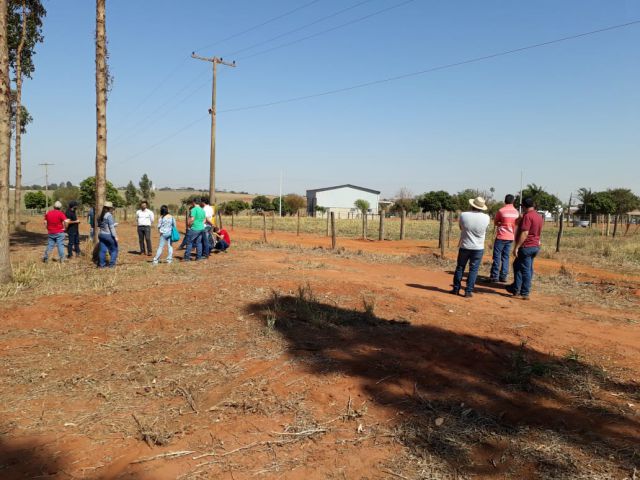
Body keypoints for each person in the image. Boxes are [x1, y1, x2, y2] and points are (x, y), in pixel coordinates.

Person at [451, 196, 490, 298]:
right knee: (473, 270)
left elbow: (461, 228)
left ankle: (456, 289)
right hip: (478, 248)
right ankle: (468, 291)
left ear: (472, 205)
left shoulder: (464, 215)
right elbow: (486, 230)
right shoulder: (486, 217)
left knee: (460, 267)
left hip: (465, 245)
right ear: (481, 207)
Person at [508, 197, 543, 300]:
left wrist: (516, 247)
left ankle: (524, 292)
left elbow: (525, 233)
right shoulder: (538, 216)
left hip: (526, 246)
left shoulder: (528, 216)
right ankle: (516, 288)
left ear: (524, 206)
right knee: (519, 266)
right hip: (535, 246)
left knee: (525, 269)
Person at [489, 194, 519, 283]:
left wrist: (502, 224)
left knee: (497, 256)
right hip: (511, 237)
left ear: (505, 201)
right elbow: (517, 224)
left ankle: (495, 276)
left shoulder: (501, 211)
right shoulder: (516, 212)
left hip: (501, 236)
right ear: (513, 201)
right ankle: (503, 276)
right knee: (506, 257)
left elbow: (495, 222)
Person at [98, 201, 118, 268]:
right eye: (112, 208)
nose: (112, 209)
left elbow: (103, 225)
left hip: (101, 234)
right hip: (108, 235)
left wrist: (114, 224)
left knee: (102, 250)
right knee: (114, 249)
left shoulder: (102, 215)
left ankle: (102, 265)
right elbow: (111, 227)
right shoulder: (109, 215)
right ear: (109, 208)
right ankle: (111, 265)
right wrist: (115, 236)